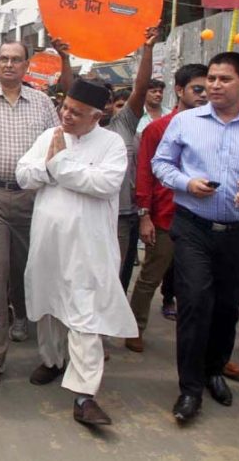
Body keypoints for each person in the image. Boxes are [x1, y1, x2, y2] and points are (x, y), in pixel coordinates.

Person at [0, 38, 73, 388]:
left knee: (29, 268)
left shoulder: (43, 104)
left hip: (34, 198)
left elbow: (57, 145)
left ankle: (21, 313)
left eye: (16, 59)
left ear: (26, 66)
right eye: (3, 59)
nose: (9, 65)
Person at [152, 51, 239, 422]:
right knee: (195, 301)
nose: (214, 85)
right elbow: (160, 164)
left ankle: (215, 370)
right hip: (193, 225)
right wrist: (187, 182)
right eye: (211, 79)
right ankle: (190, 388)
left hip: (238, 231)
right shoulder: (185, 122)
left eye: (224, 79)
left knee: (227, 305)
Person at [16, 79, 135, 426]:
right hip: (48, 242)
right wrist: (48, 167)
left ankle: (84, 395)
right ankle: (52, 361)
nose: (66, 115)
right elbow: (24, 174)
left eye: (76, 112)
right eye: (65, 108)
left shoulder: (112, 144)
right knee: (49, 304)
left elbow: (104, 184)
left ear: (97, 116)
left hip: (88, 247)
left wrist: (58, 166)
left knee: (85, 315)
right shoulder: (50, 135)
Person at [126, 64, 208, 353]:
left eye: (208, 88)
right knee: (150, 276)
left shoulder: (212, 127)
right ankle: (134, 327)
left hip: (203, 218)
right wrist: (144, 214)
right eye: (198, 89)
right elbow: (145, 174)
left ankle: (200, 343)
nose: (204, 94)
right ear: (180, 90)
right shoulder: (157, 128)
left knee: (198, 285)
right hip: (164, 216)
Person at [100, 27, 158, 291]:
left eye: (106, 101)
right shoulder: (74, 127)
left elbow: (141, 87)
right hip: (86, 212)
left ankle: (108, 325)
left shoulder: (123, 124)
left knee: (116, 274)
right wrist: (65, 59)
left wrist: (148, 49)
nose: (100, 106)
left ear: (113, 104)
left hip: (122, 215)